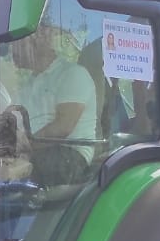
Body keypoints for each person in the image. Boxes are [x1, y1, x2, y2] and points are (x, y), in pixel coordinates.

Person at [7, 20, 98, 186]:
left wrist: (25, 148)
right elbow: (11, 122)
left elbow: (63, 127)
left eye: (19, 42)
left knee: (7, 175)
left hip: (69, 155)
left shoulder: (73, 74)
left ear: (39, 42)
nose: (13, 49)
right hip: (36, 152)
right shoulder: (28, 85)